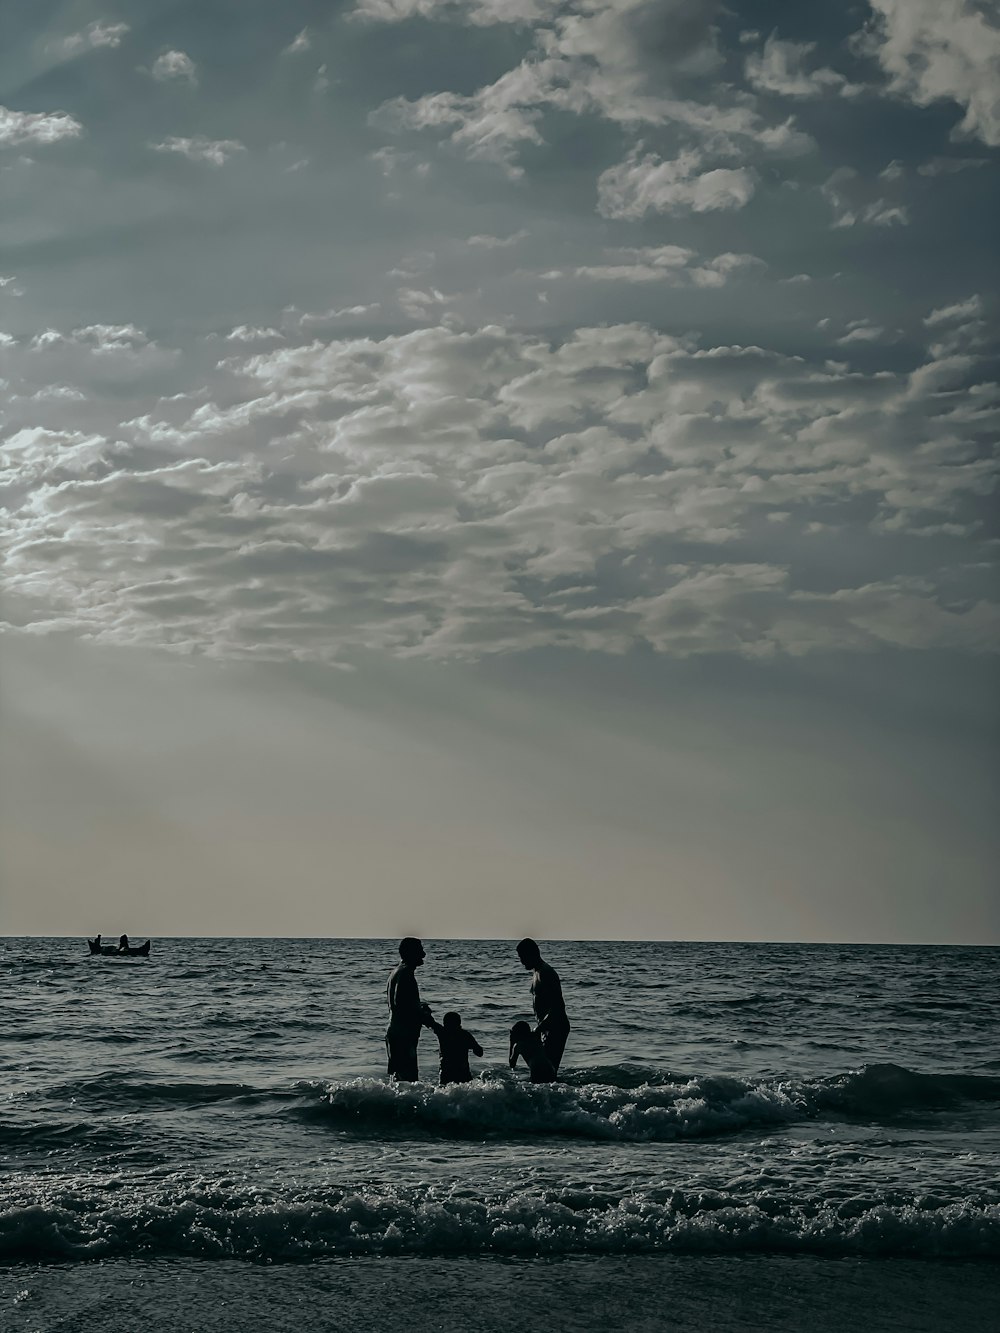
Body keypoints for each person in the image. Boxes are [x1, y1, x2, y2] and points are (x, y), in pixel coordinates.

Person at [516, 937, 570, 1072]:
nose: (521, 961)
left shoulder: (546, 973)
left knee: (547, 1071)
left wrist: (539, 1029)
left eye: (522, 957)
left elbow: (558, 1006)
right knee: (545, 1069)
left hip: (555, 1027)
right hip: (547, 1028)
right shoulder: (537, 973)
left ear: (532, 953)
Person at [385, 937, 429, 1082]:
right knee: (408, 1081)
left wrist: (418, 1007)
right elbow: (400, 1004)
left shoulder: (396, 972)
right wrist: (423, 1015)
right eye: (420, 951)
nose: (423, 955)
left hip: (396, 1032)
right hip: (403, 1036)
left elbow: (402, 1002)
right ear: (410, 953)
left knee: (398, 1079)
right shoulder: (406, 974)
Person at [426, 1011, 483, 1086]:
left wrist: (425, 1012)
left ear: (445, 1023)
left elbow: (430, 1022)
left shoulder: (443, 1032)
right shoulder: (465, 1035)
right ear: (459, 1023)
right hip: (463, 1071)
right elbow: (479, 1053)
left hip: (446, 1071)